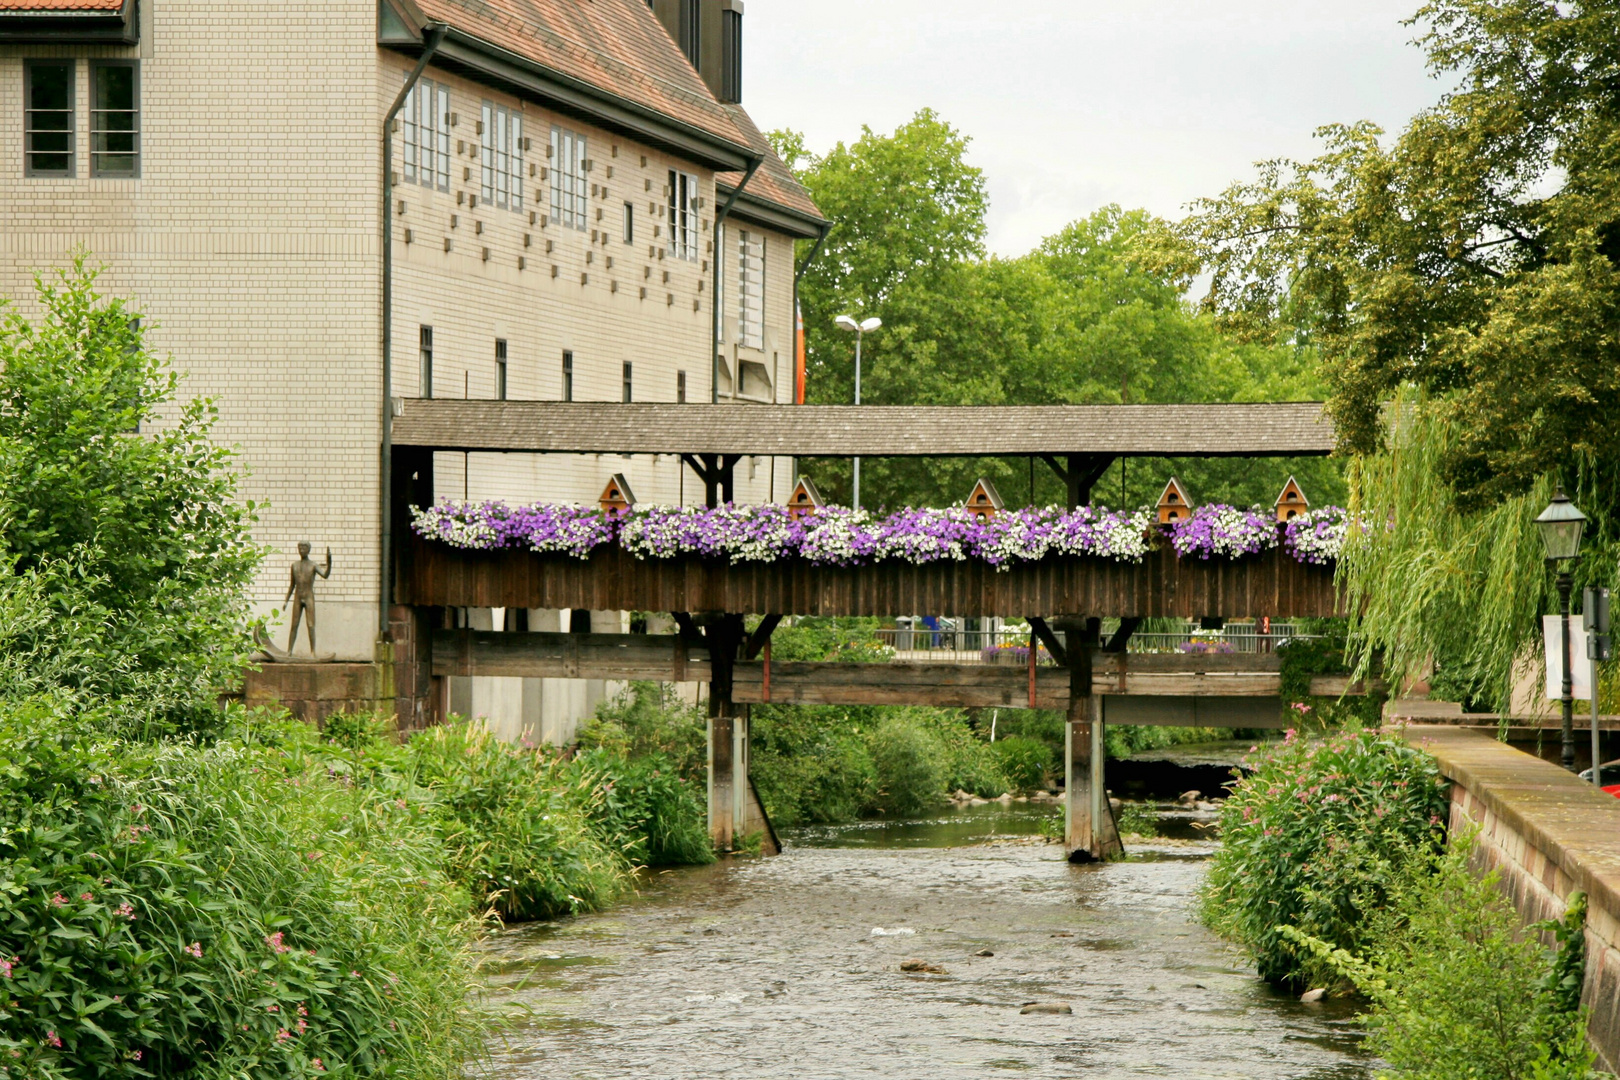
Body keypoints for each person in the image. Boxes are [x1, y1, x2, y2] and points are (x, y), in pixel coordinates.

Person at [284, 542, 332, 655]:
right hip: (297, 597)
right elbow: (292, 585)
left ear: (309, 550)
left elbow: (325, 575)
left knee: (311, 625)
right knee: (294, 624)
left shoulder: (313, 565)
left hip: (309, 597)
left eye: (304, 548)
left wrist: (329, 562)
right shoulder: (294, 565)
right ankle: (289, 651)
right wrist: (286, 600)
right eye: (300, 547)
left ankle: (313, 651)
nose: (301, 550)